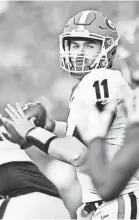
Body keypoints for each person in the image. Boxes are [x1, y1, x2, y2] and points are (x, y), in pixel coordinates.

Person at [1, 10, 138, 219]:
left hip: (118, 200)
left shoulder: (101, 79)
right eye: (75, 45)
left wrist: (31, 132)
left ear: (108, 49)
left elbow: (78, 154)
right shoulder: (97, 82)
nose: (79, 52)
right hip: (104, 203)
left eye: (89, 45)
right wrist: (51, 126)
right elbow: (88, 135)